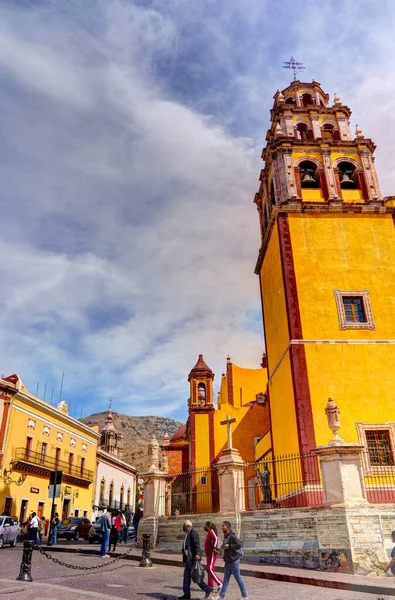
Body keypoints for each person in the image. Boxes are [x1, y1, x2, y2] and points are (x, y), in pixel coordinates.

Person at [211, 521, 248, 600]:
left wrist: (230, 546)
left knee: (238, 579)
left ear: (227, 527)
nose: (222, 527)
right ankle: (221, 596)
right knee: (226, 580)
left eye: (223, 526)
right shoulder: (226, 536)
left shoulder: (232, 536)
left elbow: (239, 545)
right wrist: (219, 549)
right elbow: (225, 546)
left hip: (234, 562)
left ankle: (245, 596)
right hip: (228, 562)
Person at [178, 520, 214, 600]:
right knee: (186, 577)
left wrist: (198, 554)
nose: (183, 527)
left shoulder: (193, 533)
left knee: (196, 576)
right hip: (188, 559)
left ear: (187, 526)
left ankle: (207, 588)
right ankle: (186, 594)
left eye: (184, 526)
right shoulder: (187, 534)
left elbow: (197, 544)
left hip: (192, 558)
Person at [204, 521, 223, 593]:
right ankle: (211, 586)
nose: (205, 526)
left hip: (212, 553)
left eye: (206, 525)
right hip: (208, 554)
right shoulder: (209, 533)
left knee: (209, 569)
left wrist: (214, 548)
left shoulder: (211, 531)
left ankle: (220, 583)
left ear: (209, 526)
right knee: (209, 569)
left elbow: (215, 538)